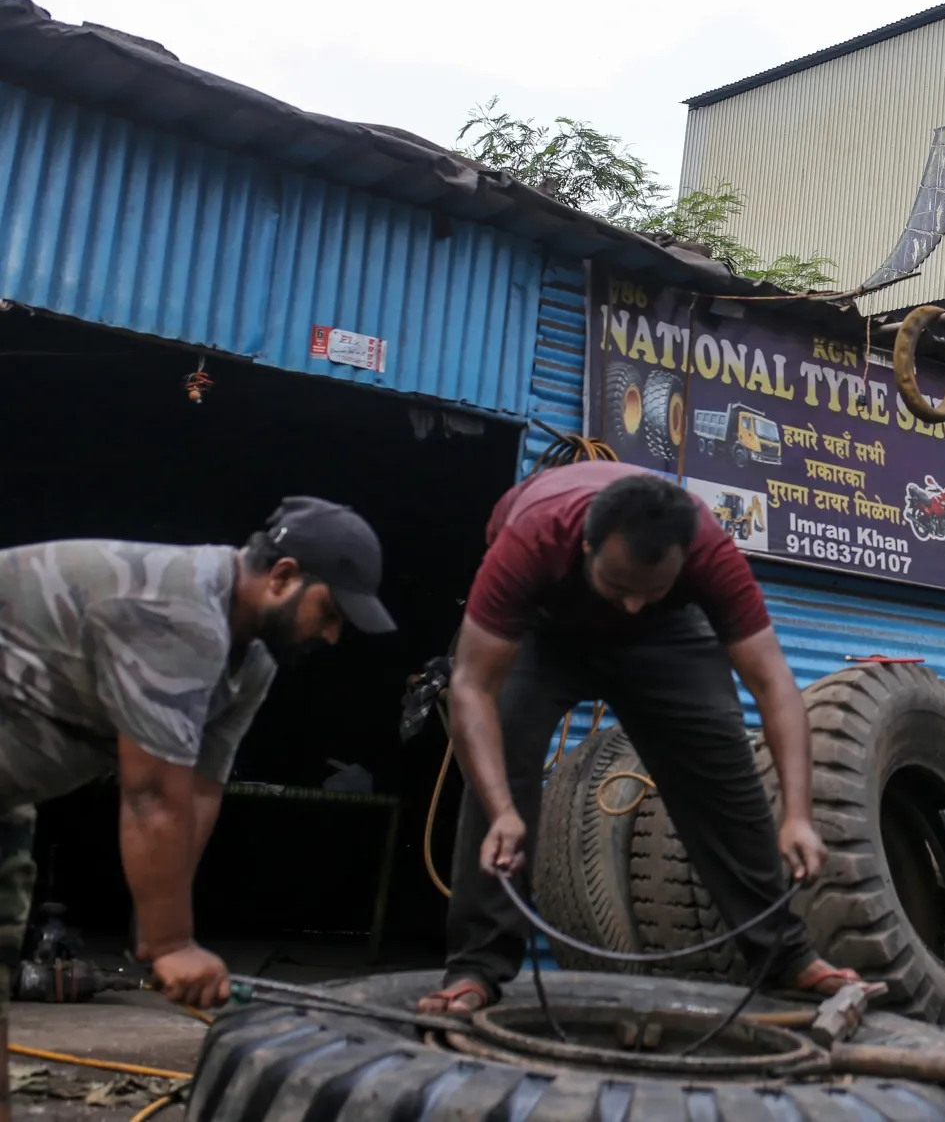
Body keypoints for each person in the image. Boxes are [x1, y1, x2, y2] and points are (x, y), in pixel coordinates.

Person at [419, 462, 874, 1015]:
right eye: (618, 586)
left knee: (723, 772)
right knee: (500, 772)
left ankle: (785, 958)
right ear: (587, 546)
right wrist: (502, 809)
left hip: (667, 639)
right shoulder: (534, 537)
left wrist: (798, 815)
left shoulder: (709, 550)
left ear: (682, 562)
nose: (631, 604)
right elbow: (470, 686)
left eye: (651, 589)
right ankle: (476, 968)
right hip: (548, 628)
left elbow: (773, 684)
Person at [0, 500, 395, 1122]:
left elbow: (200, 789)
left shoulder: (253, 659)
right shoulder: (180, 613)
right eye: (330, 613)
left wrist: (154, 922)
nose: (332, 636)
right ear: (284, 576)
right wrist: (172, 940)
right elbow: (151, 792)